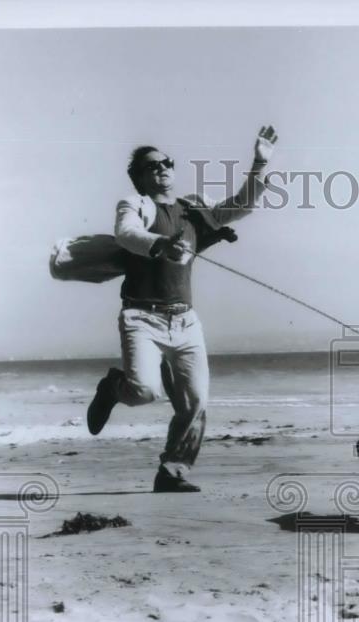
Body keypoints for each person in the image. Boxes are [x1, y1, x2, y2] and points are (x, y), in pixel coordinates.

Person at [86, 126, 278, 492]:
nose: (163, 168)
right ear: (139, 177)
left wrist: (258, 163)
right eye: (152, 165)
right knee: (143, 391)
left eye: (167, 163)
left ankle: (172, 471)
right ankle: (113, 388)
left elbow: (240, 207)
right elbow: (127, 233)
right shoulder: (135, 205)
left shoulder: (192, 208)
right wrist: (160, 244)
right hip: (142, 317)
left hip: (185, 320)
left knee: (195, 402)